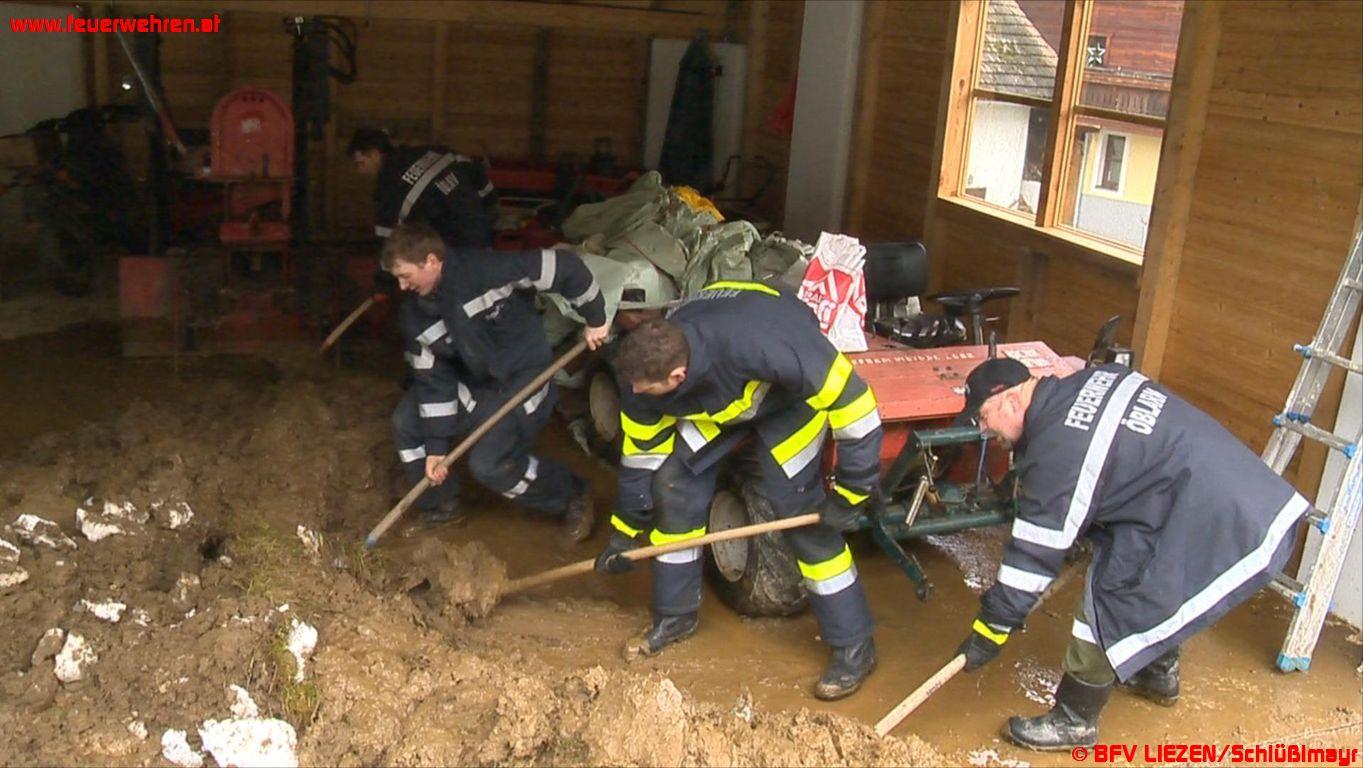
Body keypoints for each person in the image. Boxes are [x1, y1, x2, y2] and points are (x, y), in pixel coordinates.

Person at [951, 356, 1309, 751]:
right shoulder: (1089, 381)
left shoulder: (1057, 449)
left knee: (1114, 594)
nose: (985, 431)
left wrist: (991, 629)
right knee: (1137, 566)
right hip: (1237, 493)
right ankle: (1156, 672)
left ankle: (1074, 721)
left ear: (1010, 402)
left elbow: (1034, 554)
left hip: (1220, 516)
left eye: (983, 418)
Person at [596, 281, 884, 700]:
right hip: (720, 401)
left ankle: (854, 646)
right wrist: (625, 528)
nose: (637, 396)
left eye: (646, 390)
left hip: (786, 402)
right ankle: (675, 616)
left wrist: (853, 494)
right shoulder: (644, 375)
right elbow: (641, 456)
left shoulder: (770, 345)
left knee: (800, 514)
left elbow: (856, 407)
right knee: (673, 487)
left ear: (676, 376)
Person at [383, 222, 610, 539]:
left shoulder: (487, 270)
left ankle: (570, 494)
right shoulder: (415, 316)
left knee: (489, 464)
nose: (402, 286)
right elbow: (434, 382)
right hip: (476, 381)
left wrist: (596, 317)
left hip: (524, 378)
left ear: (432, 261)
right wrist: (436, 449)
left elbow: (564, 266)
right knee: (407, 422)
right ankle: (440, 504)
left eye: (406, 276)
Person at [349, 128, 498, 248]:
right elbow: (474, 171)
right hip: (482, 229)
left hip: (454, 244)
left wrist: (386, 278)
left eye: (360, 163)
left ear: (375, 154)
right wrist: (489, 204)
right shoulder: (431, 152)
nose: (360, 171)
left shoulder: (388, 190)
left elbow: (387, 240)